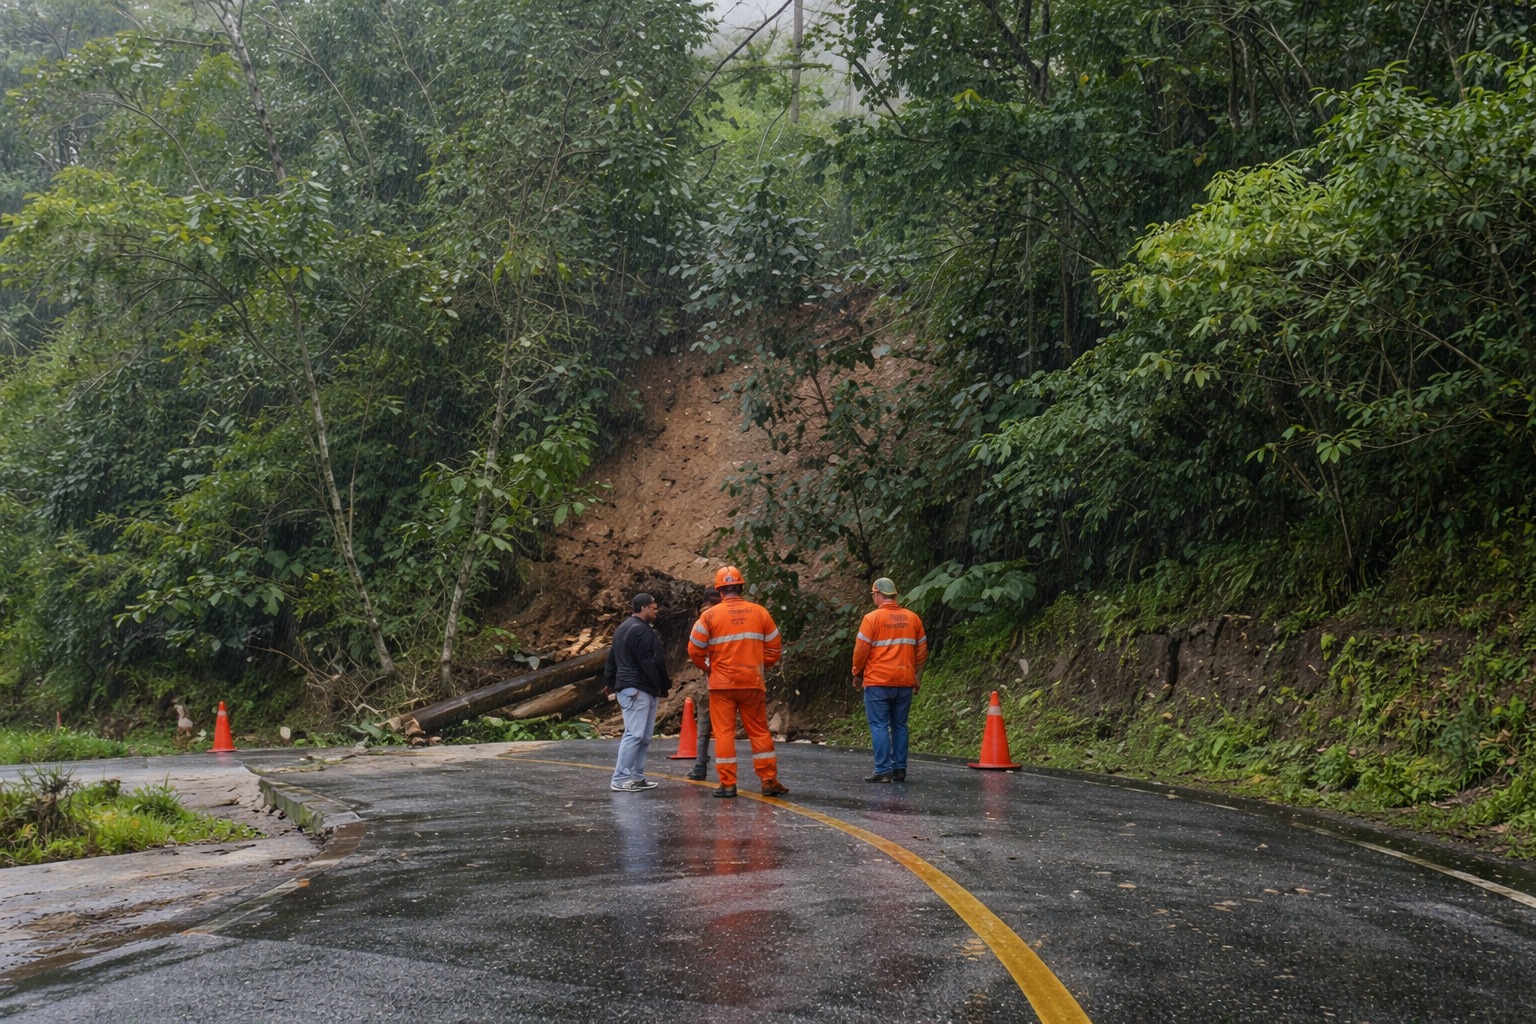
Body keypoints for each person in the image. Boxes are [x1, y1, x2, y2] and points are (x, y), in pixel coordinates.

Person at [688, 566, 789, 798]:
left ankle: (727, 784)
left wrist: (707, 667)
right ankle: (769, 781)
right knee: (760, 732)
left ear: (719, 590)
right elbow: (774, 648)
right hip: (752, 683)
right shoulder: (760, 612)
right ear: (741, 587)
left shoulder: (709, 616)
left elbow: (694, 650)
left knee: (724, 734)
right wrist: (758, 666)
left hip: (722, 685)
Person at [852, 577, 927, 783]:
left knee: (879, 725)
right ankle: (899, 768)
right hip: (904, 682)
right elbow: (921, 651)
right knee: (900, 725)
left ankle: (883, 769)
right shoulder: (913, 618)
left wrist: (857, 673)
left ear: (877, 594)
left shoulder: (871, 619)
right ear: (894, 595)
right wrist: (916, 677)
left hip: (878, 682)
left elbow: (861, 650)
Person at [605, 592, 671, 792]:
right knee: (635, 735)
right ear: (643, 607)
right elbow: (651, 662)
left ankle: (637, 777)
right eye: (653, 607)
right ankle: (620, 779)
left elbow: (611, 660)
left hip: (631, 688)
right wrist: (663, 685)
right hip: (639, 689)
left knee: (643, 736)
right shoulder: (643, 631)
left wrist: (611, 684)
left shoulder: (622, 629)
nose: (656, 610)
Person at [685, 587, 722, 782]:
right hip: (734, 678)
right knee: (725, 728)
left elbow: (694, 650)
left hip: (711, 679)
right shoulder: (726, 616)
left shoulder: (704, 619)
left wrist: (707, 668)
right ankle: (728, 777)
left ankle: (700, 765)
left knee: (705, 725)